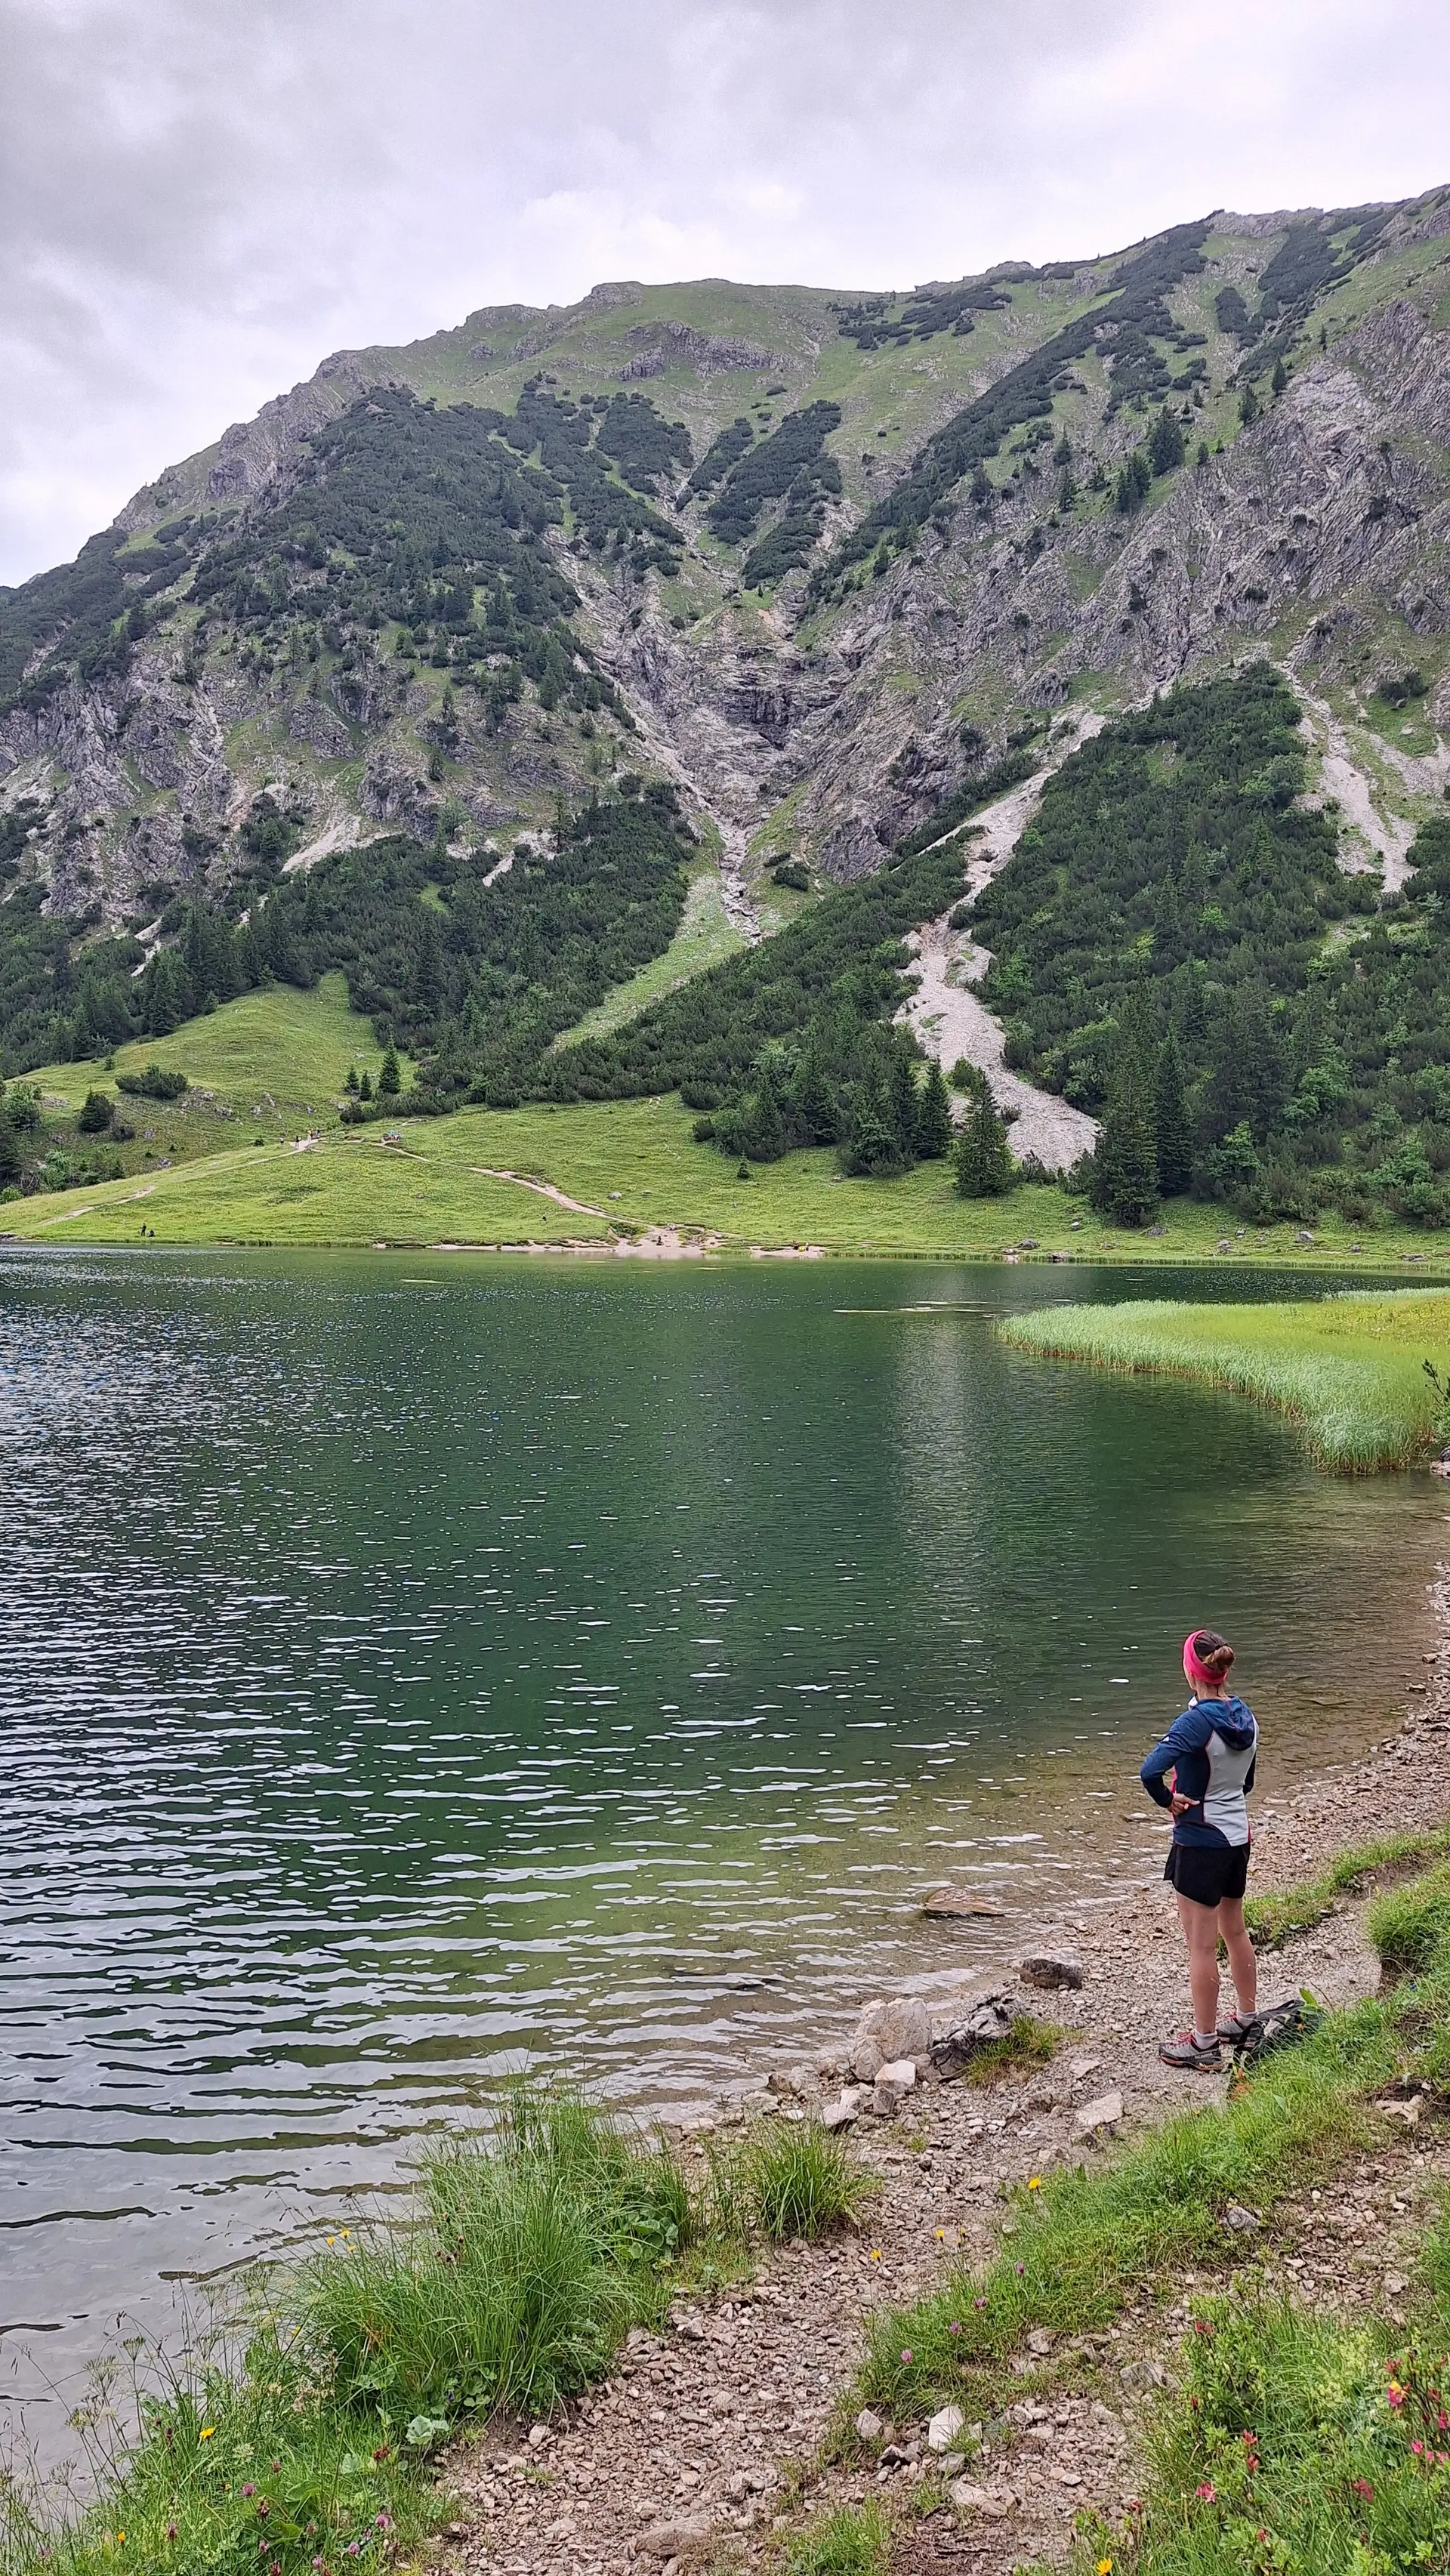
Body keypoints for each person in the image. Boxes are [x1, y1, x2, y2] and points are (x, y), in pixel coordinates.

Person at [1140, 1627, 1259, 2070]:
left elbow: (1150, 1772)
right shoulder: (1246, 1717)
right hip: (1237, 1837)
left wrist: (1168, 1800)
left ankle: (1204, 2044)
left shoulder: (1193, 1722)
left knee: (1201, 1947)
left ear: (1192, 1673)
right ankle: (1246, 2020)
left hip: (1200, 1841)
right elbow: (1246, 1783)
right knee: (1236, 1932)